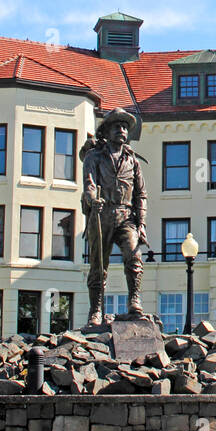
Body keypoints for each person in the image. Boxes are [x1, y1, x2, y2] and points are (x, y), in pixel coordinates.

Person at [80, 108, 147, 325]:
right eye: (117, 127)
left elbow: (141, 194)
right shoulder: (94, 157)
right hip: (101, 214)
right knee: (99, 266)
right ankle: (96, 311)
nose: (122, 130)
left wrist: (142, 224)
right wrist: (93, 199)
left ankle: (134, 301)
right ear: (106, 132)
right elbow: (89, 184)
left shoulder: (132, 161)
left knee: (134, 256)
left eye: (125, 127)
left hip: (126, 215)